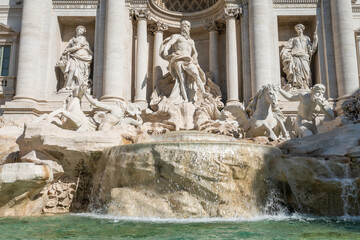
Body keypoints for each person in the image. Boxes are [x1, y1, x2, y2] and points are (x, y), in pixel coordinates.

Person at [160, 20, 209, 103]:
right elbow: (170, 43)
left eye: (186, 26)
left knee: (196, 74)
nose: (184, 27)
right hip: (178, 59)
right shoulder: (177, 36)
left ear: (189, 28)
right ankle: (185, 99)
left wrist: (195, 57)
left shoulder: (191, 41)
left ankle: (203, 92)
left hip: (188, 60)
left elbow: (195, 52)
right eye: (183, 26)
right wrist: (165, 50)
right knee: (181, 79)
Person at [280, 23, 318, 89]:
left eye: (299, 29)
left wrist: (315, 40)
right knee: (296, 71)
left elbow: (311, 50)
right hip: (295, 56)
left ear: (302, 29)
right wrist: (285, 54)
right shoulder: (293, 39)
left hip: (304, 57)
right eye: (297, 29)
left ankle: (306, 85)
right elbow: (287, 47)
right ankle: (297, 86)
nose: (298, 30)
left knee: (306, 72)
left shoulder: (307, 38)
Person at [59, 25, 93, 91]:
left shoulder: (82, 38)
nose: (81, 32)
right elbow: (69, 47)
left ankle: (79, 87)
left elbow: (77, 47)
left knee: (80, 72)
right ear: (77, 30)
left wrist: (68, 50)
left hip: (82, 57)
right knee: (71, 69)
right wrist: (66, 52)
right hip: (74, 56)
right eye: (80, 30)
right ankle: (68, 86)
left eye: (82, 31)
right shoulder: (72, 39)